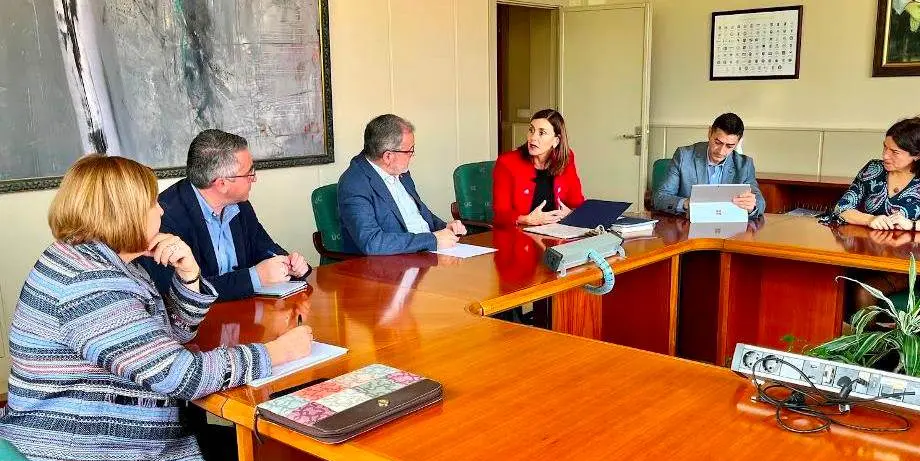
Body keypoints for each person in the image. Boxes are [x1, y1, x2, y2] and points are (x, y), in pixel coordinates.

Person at [0, 155, 312, 461]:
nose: (161, 211)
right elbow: (178, 375)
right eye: (151, 203)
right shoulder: (91, 284)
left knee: (275, 451)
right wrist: (274, 353)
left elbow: (167, 339)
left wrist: (189, 277)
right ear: (122, 214)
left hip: (118, 433)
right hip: (92, 456)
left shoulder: (102, 260)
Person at [139, 129, 311, 302]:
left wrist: (291, 264)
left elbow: (264, 247)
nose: (254, 179)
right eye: (249, 173)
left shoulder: (239, 205)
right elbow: (178, 292)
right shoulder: (164, 216)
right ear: (221, 184)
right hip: (197, 324)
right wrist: (254, 278)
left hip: (244, 314)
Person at [825, 116, 920, 311]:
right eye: (885, 147)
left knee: (863, 292)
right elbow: (842, 209)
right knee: (825, 280)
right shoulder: (873, 169)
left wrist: (911, 224)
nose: (886, 155)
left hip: (907, 265)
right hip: (864, 256)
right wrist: (871, 219)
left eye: (895, 152)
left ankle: (870, 340)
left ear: (917, 155)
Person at [338, 114, 466, 255]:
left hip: (425, 257)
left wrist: (445, 227)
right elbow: (373, 243)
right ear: (388, 156)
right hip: (388, 268)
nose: (412, 155)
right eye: (409, 151)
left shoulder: (401, 172)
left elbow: (418, 213)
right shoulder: (355, 184)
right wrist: (432, 240)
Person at [653, 112, 765, 217]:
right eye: (718, 142)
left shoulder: (744, 165)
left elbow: (760, 203)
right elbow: (660, 198)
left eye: (729, 146)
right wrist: (687, 203)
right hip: (689, 226)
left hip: (728, 227)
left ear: (738, 142)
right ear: (710, 133)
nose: (721, 151)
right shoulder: (684, 156)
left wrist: (752, 206)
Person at [492, 109, 585, 226]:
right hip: (520, 234)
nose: (533, 138)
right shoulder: (507, 162)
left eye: (542, 133)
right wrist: (526, 219)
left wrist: (571, 214)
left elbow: (577, 203)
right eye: (531, 130)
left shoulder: (566, 158)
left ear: (556, 140)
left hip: (558, 232)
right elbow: (500, 214)